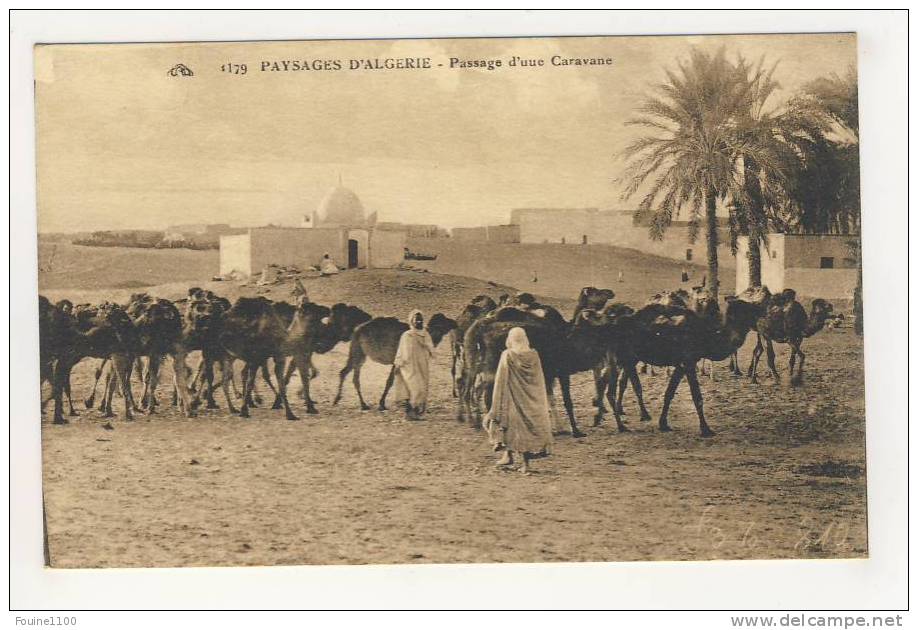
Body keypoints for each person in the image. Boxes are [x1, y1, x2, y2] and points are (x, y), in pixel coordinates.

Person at [483, 327, 553, 474]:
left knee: (514, 428)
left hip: (513, 399)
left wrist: (494, 406)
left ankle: (525, 464)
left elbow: (500, 380)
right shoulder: (534, 355)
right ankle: (508, 456)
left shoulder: (508, 355)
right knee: (524, 429)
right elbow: (539, 379)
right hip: (531, 401)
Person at [393, 310, 436, 420]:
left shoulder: (425, 334)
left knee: (422, 389)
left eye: (420, 319)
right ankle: (410, 413)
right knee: (415, 389)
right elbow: (401, 351)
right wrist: (398, 363)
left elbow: (431, 348)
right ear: (411, 321)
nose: (419, 321)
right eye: (416, 319)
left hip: (422, 366)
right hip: (409, 367)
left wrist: (428, 348)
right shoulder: (407, 335)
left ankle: (416, 413)